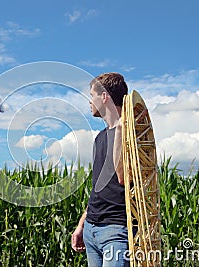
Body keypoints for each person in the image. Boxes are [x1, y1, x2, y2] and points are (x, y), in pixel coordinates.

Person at [71, 72, 129, 267]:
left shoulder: (132, 135)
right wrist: (82, 224)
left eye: (92, 95)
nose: (89, 101)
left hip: (116, 232)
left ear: (104, 97)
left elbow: (123, 178)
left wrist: (121, 129)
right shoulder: (100, 138)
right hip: (91, 230)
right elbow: (99, 186)